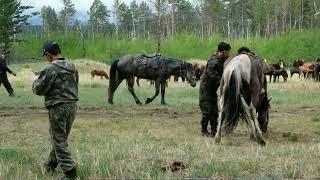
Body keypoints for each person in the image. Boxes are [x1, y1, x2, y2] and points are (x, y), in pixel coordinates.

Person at [32, 41, 79, 179]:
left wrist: (35, 81)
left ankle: (70, 172)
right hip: (72, 106)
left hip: (58, 107)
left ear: (48, 54)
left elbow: (39, 89)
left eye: (45, 55)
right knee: (60, 138)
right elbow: (75, 85)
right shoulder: (72, 66)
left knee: (58, 140)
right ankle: (51, 164)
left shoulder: (50, 69)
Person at [199, 42, 231, 137]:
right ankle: (204, 131)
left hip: (212, 90)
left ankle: (214, 131)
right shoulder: (214, 61)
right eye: (227, 52)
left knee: (214, 111)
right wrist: (225, 82)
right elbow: (213, 76)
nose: (228, 54)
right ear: (223, 52)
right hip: (206, 89)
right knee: (207, 111)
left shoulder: (220, 60)